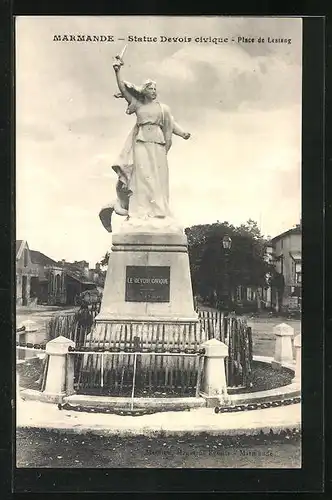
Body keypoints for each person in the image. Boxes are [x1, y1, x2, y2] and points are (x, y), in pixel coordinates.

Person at [99, 55, 191, 232]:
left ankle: (158, 211)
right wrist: (117, 71)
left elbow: (170, 123)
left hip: (157, 143)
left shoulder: (163, 108)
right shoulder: (138, 105)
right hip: (141, 143)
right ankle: (140, 211)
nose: (154, 91)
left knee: (156, 178)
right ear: (145, 91)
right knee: (142, 178)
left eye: (156, 89)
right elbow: (123, 89)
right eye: (151, 89)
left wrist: (182, 133)